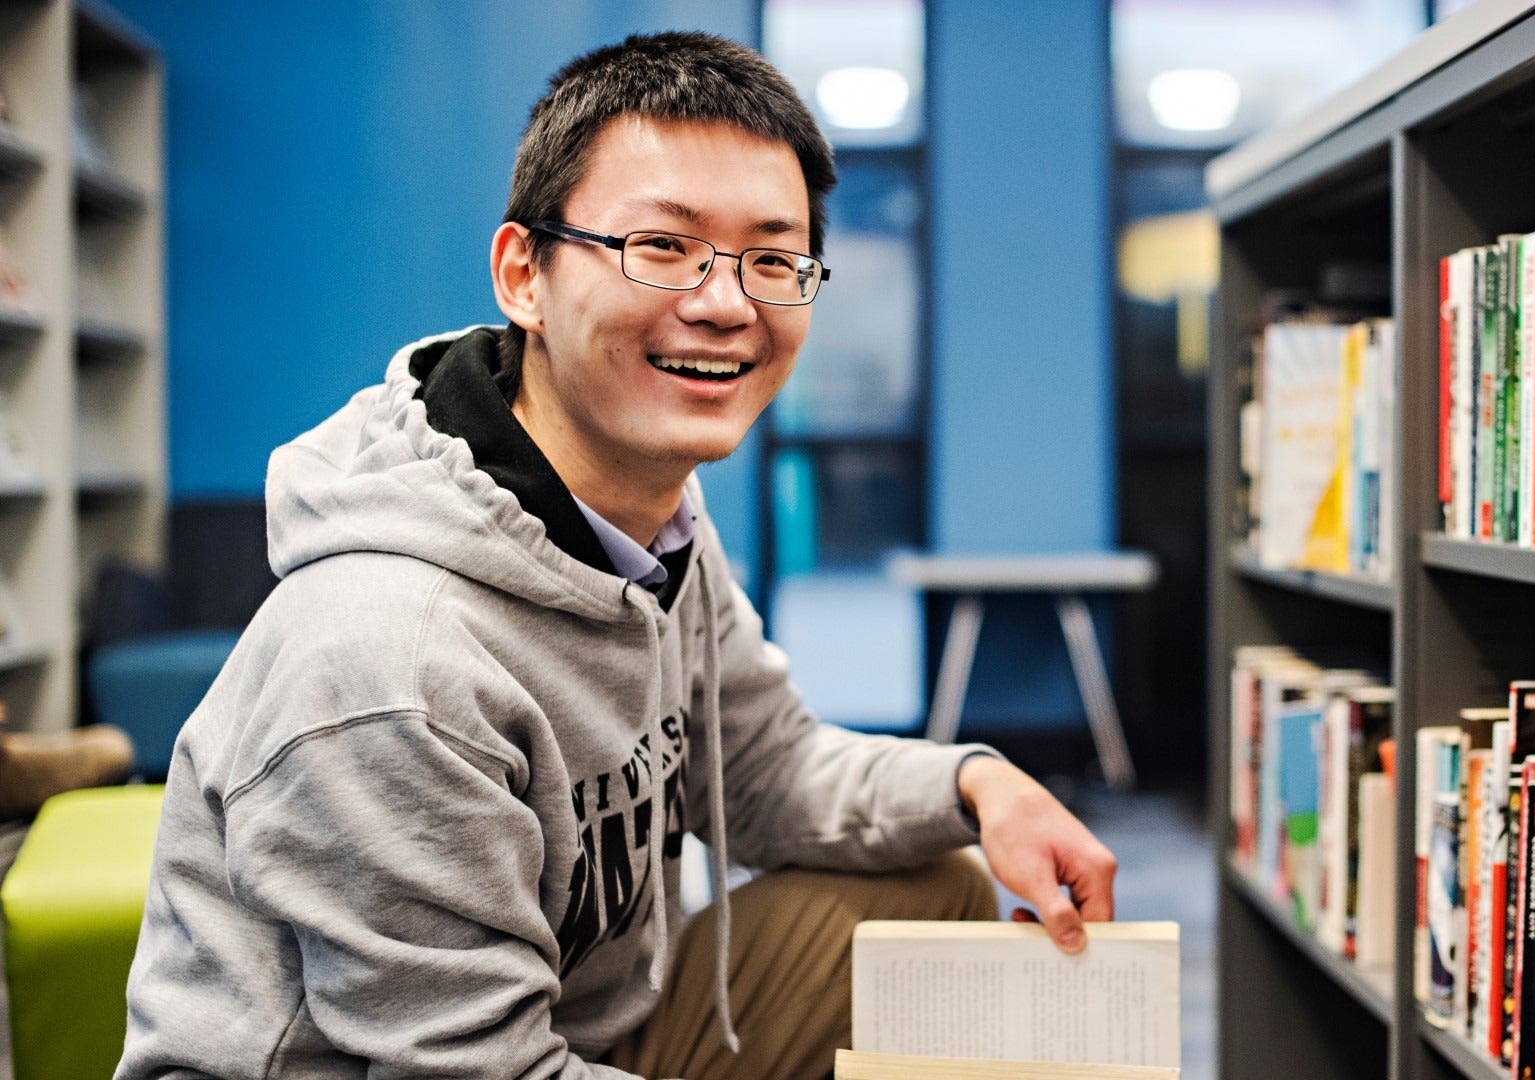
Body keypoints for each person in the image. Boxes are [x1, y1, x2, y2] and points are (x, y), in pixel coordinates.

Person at [116, 31, 1117, 1080]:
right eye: (662, 246)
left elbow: (768, 770)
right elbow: (471, 1070)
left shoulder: (657, 524)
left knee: (936, 882)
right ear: (525, 276)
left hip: (589, 1026)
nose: (727, 303)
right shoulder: (389, 659)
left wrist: (979, 784)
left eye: (773, 259)